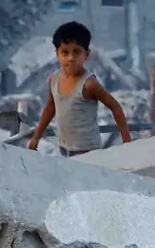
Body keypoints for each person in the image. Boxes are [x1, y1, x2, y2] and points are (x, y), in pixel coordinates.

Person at [26, 21, 131, 156]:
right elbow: (50, 107)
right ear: (57, 54)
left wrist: (127, 141)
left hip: (88, 151)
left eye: (76, 52)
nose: (71, 58)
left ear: (86, 54)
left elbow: (115, 107)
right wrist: (36, 138)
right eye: (65, 52)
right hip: (64, 147)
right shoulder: (54, 80)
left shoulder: (89, 84)